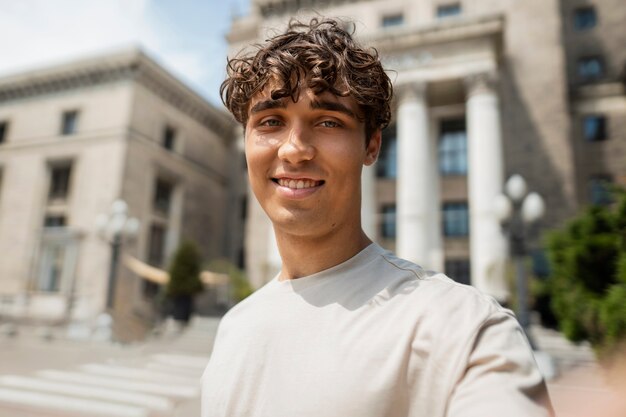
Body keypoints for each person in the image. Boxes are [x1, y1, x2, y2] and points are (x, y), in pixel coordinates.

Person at [202, 18, 553, 417]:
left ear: (372, 146)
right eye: (270, 122)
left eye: (329, 121)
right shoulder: (234, 328)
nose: (294, 150)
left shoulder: (463, 329)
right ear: (246, 143)